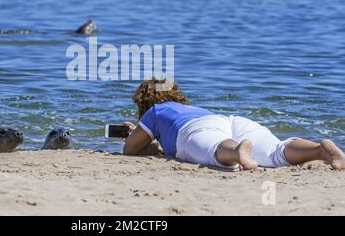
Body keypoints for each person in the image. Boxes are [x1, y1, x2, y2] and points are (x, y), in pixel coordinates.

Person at [123, 78, 345, 171]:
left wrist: (135, 136)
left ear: (144, 102)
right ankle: (320, 150)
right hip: (228, 121)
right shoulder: (190, 109)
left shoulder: (154, 111)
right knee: (276, 152)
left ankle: (238, 151)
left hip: (196, 131)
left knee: (216, 148)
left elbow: (130, 150)